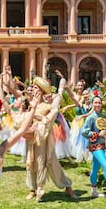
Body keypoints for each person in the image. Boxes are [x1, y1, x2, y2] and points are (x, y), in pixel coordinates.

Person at [24, 72, 77, 201]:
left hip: (44, 137)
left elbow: (53, 112)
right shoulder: (30, 103)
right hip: (31, 136)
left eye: (36, 87)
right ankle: (33, 188)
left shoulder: (48, 105)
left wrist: (61, 85)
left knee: (47, 162)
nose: (33, 89)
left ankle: (64, 186)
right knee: (31, 162)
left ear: (41, 91)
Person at [80, 94, 106, 202]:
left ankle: (94, 190)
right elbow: (84, 131)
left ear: (102, 104)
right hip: (95, 145)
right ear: (92, 104)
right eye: (95, 103)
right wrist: (97, 134)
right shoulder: (91, 117)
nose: (97, 104)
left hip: (102, 144)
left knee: (95, 168)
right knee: (105, 165)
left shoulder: (103, 116)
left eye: (99, 103)